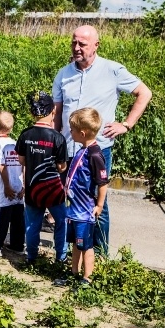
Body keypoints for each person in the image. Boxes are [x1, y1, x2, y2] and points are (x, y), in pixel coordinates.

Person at [52, 24, 152, 255]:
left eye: (82, 44)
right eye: (74, 42)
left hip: (96, 150)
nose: (76, 48)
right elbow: (58, 112)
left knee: (98, 202)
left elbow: (144, 93)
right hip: (67, 148)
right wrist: (55, 142)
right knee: (66, 198)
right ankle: (69, 252)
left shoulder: (112, 70)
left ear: (96, 45)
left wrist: (126, 124)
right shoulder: (64, 74)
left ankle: (100, 253)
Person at [16, 91, 68, 265]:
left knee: (32, 225)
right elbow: (61, 167)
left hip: (32, 187)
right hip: (53, 189)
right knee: (61, 222)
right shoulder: (58, 138)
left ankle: (31, 258)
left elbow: (21, 160)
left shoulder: (25, 135)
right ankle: (61, 258)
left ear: (31, 113)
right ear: (53, 111)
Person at [60, 107, 109, 288]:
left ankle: (87, 277)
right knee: (75, 242)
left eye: (72, 130)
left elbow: (103, 182)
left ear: (82, 133)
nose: (70, 133)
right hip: (74, 209)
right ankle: (73, 272)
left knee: (86, 245)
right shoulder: (82, 150)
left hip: (85, 210)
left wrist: (100, 205)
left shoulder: (95, 154)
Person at [0, 110, 24, 256]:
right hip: (19, 186)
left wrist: (7, 186)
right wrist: (24, 187)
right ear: (11, 128)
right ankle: (17, 245)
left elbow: (2, 166)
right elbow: (24, 165)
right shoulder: (15, 144)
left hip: (5, 188)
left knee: (1, 217)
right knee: (18, 219)